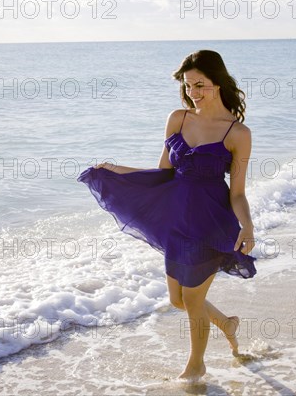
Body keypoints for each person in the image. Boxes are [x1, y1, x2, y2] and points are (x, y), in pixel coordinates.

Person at [77, 50, 257, 383]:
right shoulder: (178, 118)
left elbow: (238, 193)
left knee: (191, 298)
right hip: (176, 220)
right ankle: (227, 324)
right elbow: (163, 173)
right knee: (179, 300)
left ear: (218, 82)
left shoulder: (237, 134)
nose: (193, 92)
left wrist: (247, 224)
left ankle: (196, 367)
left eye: (200, 85)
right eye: (188, 86)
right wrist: (116, 169)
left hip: (210, 223)